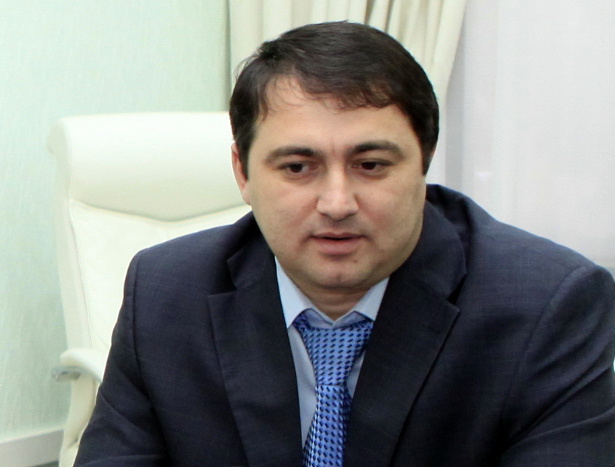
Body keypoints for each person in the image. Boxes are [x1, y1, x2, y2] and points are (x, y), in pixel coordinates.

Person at [75, 21, 615, 466]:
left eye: (371, 165)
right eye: (298, 167)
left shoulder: (547, 305)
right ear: (242, 172)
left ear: (424, 161)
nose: (337, 203)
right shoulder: (166, 294)